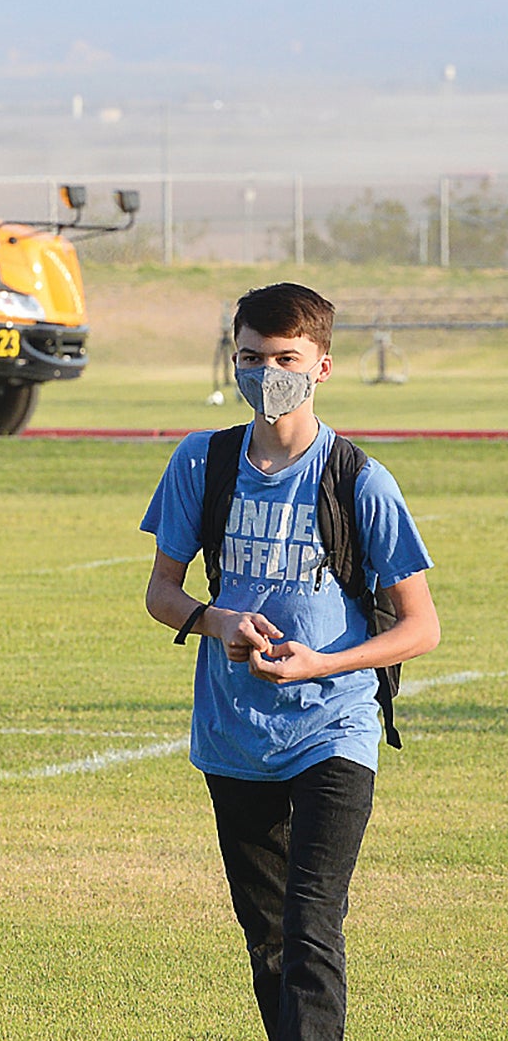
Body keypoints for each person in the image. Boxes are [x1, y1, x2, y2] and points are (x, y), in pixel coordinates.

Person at [140, 282, 439, 1041]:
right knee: (268, 937)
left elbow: (421, 625)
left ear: (321, 367)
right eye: (249, 356)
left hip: (333, 728)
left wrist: (321, 665)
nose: (265, 372)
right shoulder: (202, 462)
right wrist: (217, 620)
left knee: (312, 925)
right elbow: (161, 594)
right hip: (233, 732)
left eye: (284, 358)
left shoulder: (359, 479)